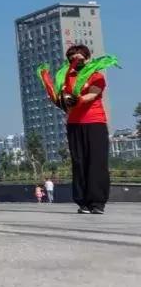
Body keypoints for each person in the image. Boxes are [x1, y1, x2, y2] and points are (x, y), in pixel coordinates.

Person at [59, 44, 111, 215]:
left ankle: (97, 202)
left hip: (95, 122)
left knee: (97, 162)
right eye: (72, 59)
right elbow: (65, 96)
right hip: (74, 124)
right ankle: (82, 202)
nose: (76, 61)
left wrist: (78, 99)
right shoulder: (67, 77)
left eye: (80, 58)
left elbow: (93, 94)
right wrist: (63, 100)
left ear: (87, 58)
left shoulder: (96, 75)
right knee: (79, 162)